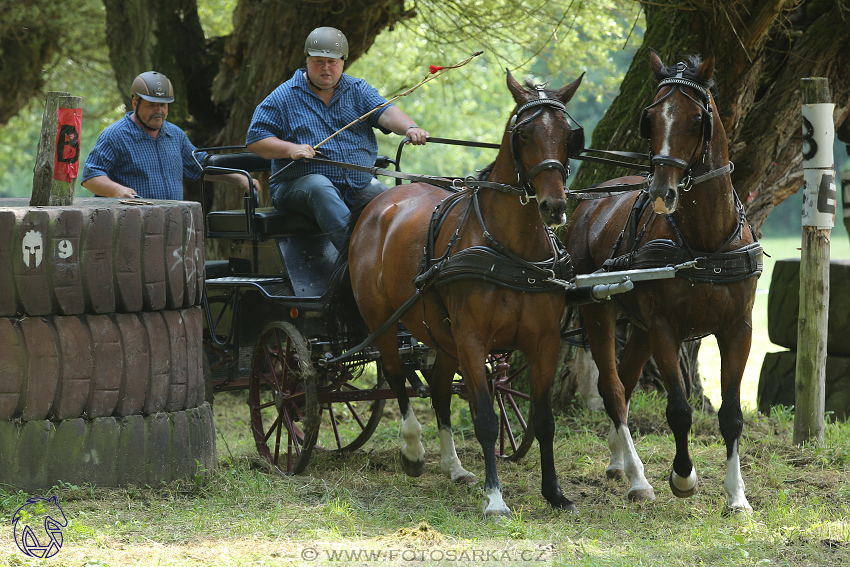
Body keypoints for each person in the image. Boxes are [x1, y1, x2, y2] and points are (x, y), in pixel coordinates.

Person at [246, 27, 429, 248]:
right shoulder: (283, 96)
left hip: (357, 183)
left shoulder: (358, 90)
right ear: (307, 60)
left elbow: (387, 113)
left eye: (332, 61)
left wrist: (410, 128)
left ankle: (408, 258)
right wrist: (290, 149)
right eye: (318, 61)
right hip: (295, 187)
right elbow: (256, 139)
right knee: (320, 186)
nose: (326, 68)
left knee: (390, 200)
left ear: (342, 61)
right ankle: (355, 256)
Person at [82, 71, 259, 200]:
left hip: (172, 228)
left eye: (164, 105)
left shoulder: (176, 135)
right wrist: (117, 191)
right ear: (135, 103)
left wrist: (241, 179)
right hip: (131, 229)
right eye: (152, 105)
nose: (159, 111)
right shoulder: (115, 135)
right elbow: (91, 177)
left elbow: (201, 167)